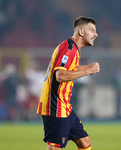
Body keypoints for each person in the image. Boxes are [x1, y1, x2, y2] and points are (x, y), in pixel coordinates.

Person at [37, 16, 100, 150]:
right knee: (55, 147)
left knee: (84, 141)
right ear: (81, 32)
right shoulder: (68, 49)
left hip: (64, 106)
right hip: (55, 107)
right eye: (92, 30)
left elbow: (69, 69)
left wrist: (87, 67)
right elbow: (59, 75)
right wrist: (88, 70)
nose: (96, 34)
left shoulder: (73, 49)